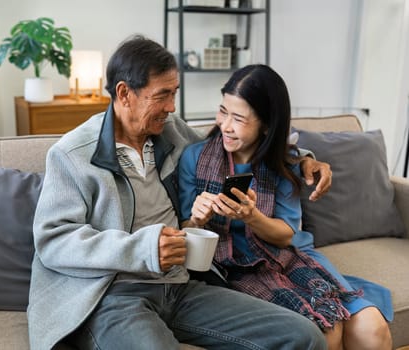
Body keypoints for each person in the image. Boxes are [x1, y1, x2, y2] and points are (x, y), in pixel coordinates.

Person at [27, 35, 330, 350]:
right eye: (162, 96)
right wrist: (143, 249)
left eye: (174, 94)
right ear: (124, 93)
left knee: (304, 337)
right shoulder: (72, 154)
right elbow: (53, 240)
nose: (171, 107)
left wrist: (301, 160)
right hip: (115, 294)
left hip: (181, 286)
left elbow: (228, 144)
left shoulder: (169, 129)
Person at [178, 64, 393, 350]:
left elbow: (285, 236)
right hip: (232, 266)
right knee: (327, 332)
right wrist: (196, 219)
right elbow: (185, 230)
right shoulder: (194, 157)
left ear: (266, 124)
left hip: (285, 255)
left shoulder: (285, 163)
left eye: (238, 118)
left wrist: (252, 217)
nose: (225, 125)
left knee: (372, 329)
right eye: (223, 111)